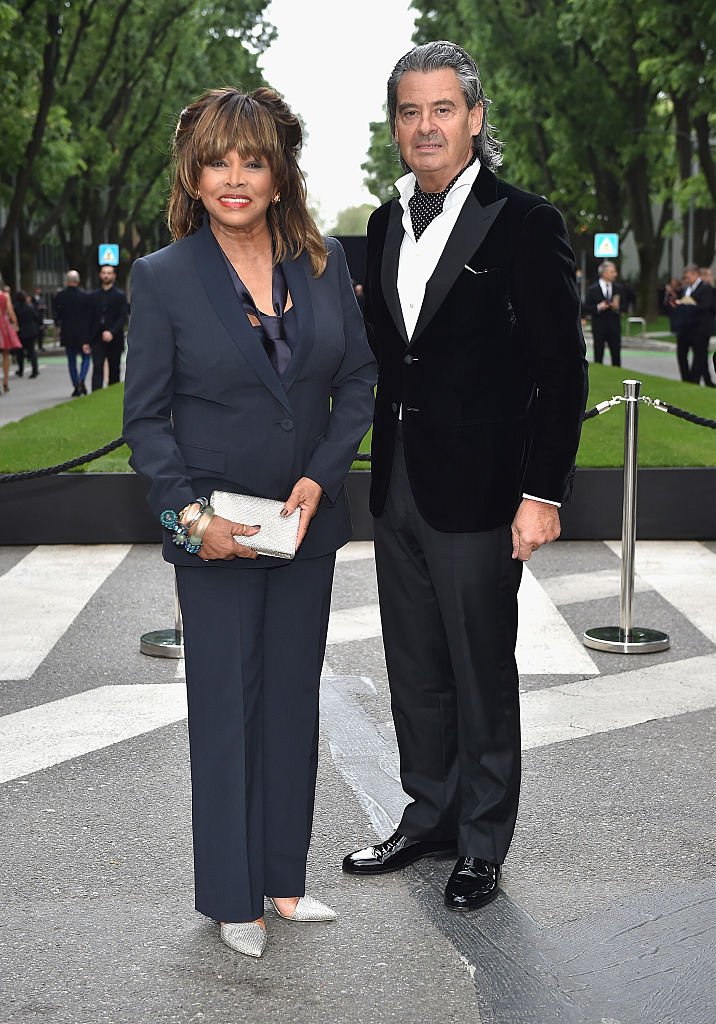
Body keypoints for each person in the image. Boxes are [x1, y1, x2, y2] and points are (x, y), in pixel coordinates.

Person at [123, 87, 376, 959]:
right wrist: (191, 520)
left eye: (252, 160)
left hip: (304, 527)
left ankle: (282, 881)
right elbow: (146, 423)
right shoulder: (161, 279)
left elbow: (359, 382)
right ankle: (231, 895)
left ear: (278, 174)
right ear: (193, 175)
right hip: (218, 532)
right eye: (218, 161)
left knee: (289, 708)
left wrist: (320, 475)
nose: (234, 178)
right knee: (225, 712)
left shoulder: (322, 263)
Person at [343, 41, 588, 912]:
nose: (426, 126)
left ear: (476, 118)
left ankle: (482, 843)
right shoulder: (380, 222)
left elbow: (562, 370)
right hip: (397, 481)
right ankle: (429, 815)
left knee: (481, 669)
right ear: (397, 125)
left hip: (484, 489)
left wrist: (542, 492)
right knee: (414, 665)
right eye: (410, 111)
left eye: (443, 109)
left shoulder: (524, 221)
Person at [666, 264, 715, 386]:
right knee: (681, 354)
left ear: (695, 274)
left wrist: (689, 305)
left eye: (688, 277)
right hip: (685, 328)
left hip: (700, 329)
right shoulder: (686, 289)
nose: (686, 279)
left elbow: (707, 307)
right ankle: (686, 379)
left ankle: (694, 381)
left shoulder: (705, 289)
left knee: (699, 356)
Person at [53, 271, 93, 396]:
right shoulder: (85, 296)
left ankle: (76, 385)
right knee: (86, 358)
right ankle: (82, 379)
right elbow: (89, 316)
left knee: (71, 360)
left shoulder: (60, 296)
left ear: (67, 281)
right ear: (78, 281)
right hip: (83, 333)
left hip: (68, 332)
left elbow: (56, 316)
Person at [90, 264, 128, 390]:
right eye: (104, 272)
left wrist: (111, 332)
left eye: (109, 273)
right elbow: (89, 318)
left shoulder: (120, 296)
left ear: (114, 276)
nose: (106, 275)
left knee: (114, 367)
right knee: (97, 366)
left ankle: (113, 392)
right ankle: (95, 396)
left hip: (115, 338)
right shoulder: (94, 296)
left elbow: (123, 317)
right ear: (100, 275)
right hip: (97, 337)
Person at [583, 260, 623, 366]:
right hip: (599, 325)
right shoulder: (592, 289)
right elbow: (586, 307)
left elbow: (625, 305)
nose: (615, 274)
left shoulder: (618, 288)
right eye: (612, 272)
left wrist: (617, 307)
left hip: (614, 325)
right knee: (598, 353)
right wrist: (598, 307)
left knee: (616, 354)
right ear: (604, 273)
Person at [0, 277, 22, 393]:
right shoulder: (5, 296)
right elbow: (10, 311)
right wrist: (15, 323)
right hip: (3, 325)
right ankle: (5, 381)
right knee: (5, 355)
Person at [13, 290, 41, 378]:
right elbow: (36, 317)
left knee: (20, 352)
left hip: (20, 332)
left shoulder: (16, 308)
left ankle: (20, 370)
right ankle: (35, 370)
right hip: (31, 331)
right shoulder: (30, 307)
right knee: (32, 351)